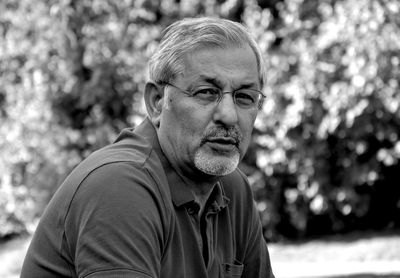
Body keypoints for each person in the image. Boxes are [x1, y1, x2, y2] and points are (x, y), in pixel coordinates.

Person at [21, 17, 274, 278]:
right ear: (156, 102)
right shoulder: (119, 186)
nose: (229, 116)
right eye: (206, 92)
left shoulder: (232, 188)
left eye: (244, 97)